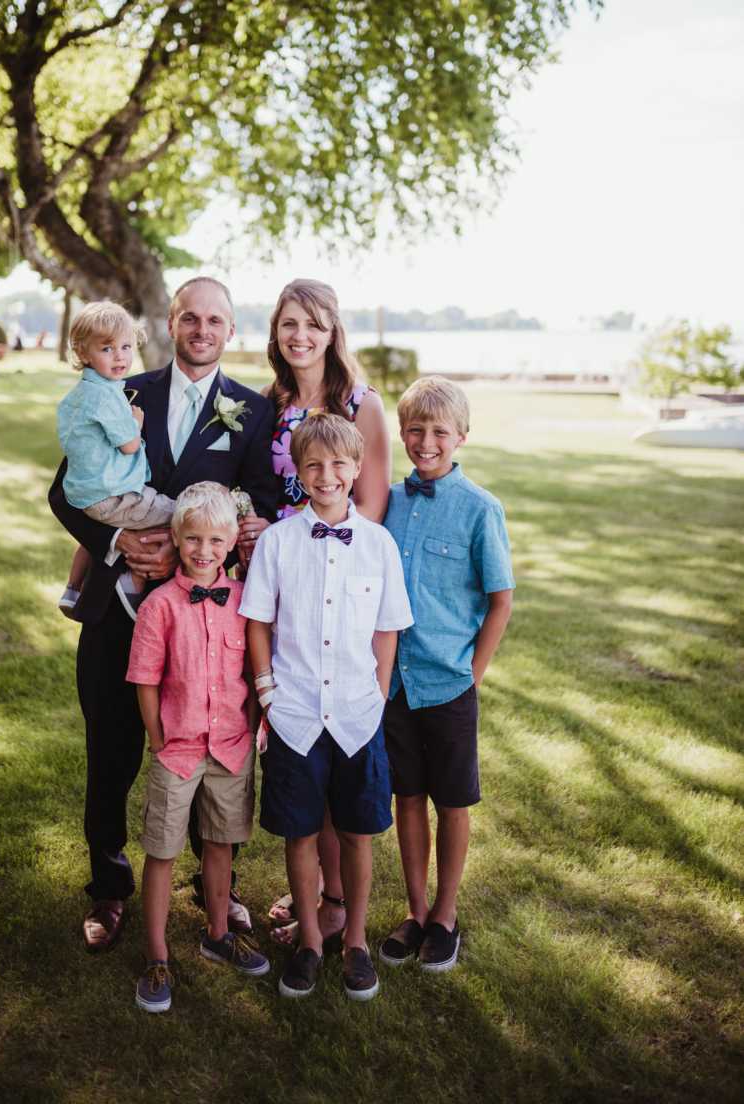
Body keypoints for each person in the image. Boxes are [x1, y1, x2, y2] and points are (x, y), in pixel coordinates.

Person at [48, 277, 276, 953]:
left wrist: (235, 532)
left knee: (213, 750)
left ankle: (215, 889)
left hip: (206, 624)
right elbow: (65, 491)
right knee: (112, 750)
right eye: (190, 318)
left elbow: (259, 498)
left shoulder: (251, 410)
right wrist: (118, 542)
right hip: (117, 608)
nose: (202, 330)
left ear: (229, 331)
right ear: (170, 323)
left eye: (215, 321)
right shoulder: (120, 386)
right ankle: (109, 887)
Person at [236, 277, 392, 950]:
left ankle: (333, 903)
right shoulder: (266, 405)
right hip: (275, 580)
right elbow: (259, 491)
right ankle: (308, 891)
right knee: (296, 745)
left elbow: (372, 508)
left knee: (340, 745)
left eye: (315, 324)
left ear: (334, 332)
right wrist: (254, 531)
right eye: (289, 324)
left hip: (339, 588)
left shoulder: (361, 403)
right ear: (275, 333)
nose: (301, 335)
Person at [241, 413, 413, 1001]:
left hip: (358, 715)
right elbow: (258, 621)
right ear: (299, 470)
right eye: (313, 464)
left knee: (358, 833)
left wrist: (377, 693)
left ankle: (357, 940)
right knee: (302, 833)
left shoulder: (380, 545)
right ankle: (310, 940)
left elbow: (387, 630)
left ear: (358, 469)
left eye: (339, 464)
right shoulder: (278, 542)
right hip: (293, 716)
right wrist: (267, 692)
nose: (327, 475)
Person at [380, 376, 514, 972]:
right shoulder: (387, 501)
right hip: (394, 683)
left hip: (448, 682)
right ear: (402, 433)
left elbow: (500, 600)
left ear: (461, 435)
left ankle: (446, 913)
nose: (426, 442)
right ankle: (413, 910)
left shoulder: (481, 509)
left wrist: (474, 674)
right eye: (415, 430)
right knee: (406, 796)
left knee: (451, 801)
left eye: (438, 432)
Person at [127, 483, 269, 1013]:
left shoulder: (244, 601)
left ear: (232, 541)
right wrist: (159, 740)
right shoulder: (159, 606)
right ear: (176, 538)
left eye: (214, 539)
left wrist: (251, 725)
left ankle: (217, 933)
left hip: (231, 749)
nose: (203, 550)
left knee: (219, 845)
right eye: (192, 539)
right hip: (178, 750)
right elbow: (145, 679)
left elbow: (255, 668)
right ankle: (157, 954)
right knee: (161, 850)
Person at [56, 301, 175, 618]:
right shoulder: (107, 396)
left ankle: (72, 588)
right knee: (174, 512)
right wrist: (135, 422)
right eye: (107, 348)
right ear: (83, 353)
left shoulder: (79, 394)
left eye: (126, 346)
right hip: (114, 494)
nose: (120, 355)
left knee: (90, 540)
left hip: (84, 494)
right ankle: (132, 583)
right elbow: (129, 445)